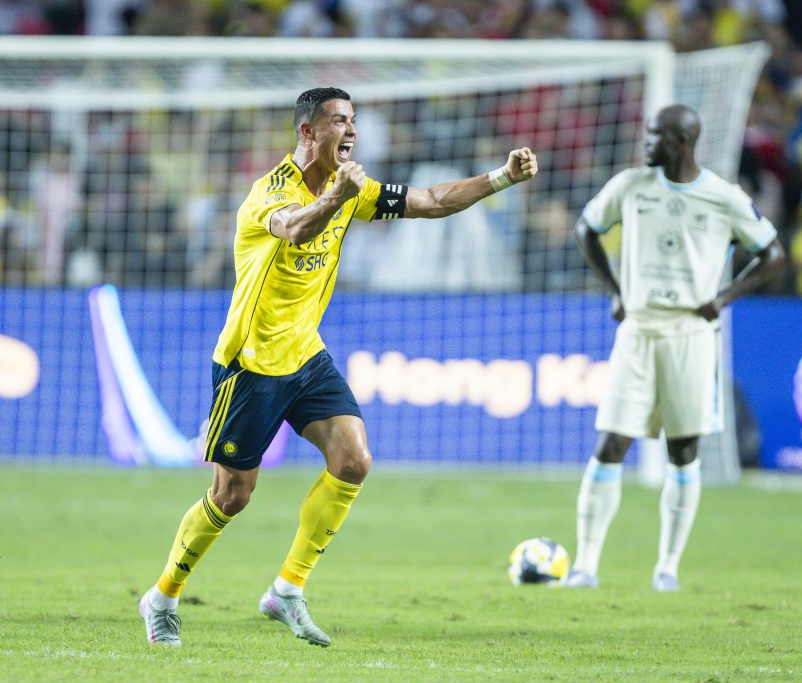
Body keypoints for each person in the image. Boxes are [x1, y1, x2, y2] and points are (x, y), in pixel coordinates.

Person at [138, 87, 538, 647]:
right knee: (232, 496)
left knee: (353, 459)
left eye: (353, 121)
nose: (350, 131)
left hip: (307, 356)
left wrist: (501, 179)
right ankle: (162, 596)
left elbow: (432, 199)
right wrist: (337, 197)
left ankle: (287, 591)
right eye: (338, 121)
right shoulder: (265, 196)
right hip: (251, 365)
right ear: (307, 132)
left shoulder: (351, 188)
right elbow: (296, 228)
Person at [566, 104, 784, 592]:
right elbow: (586, 229)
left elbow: (773, 253)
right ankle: (585, 567)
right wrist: (615, 290)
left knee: (683, 450)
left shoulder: (723, 197)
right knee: (611, 443)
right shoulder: (630, 185)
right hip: (639, 329)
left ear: (682, 142)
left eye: (656, 137)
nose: (647, 145)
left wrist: (723, 299)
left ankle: (667, 569)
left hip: (691, 333)